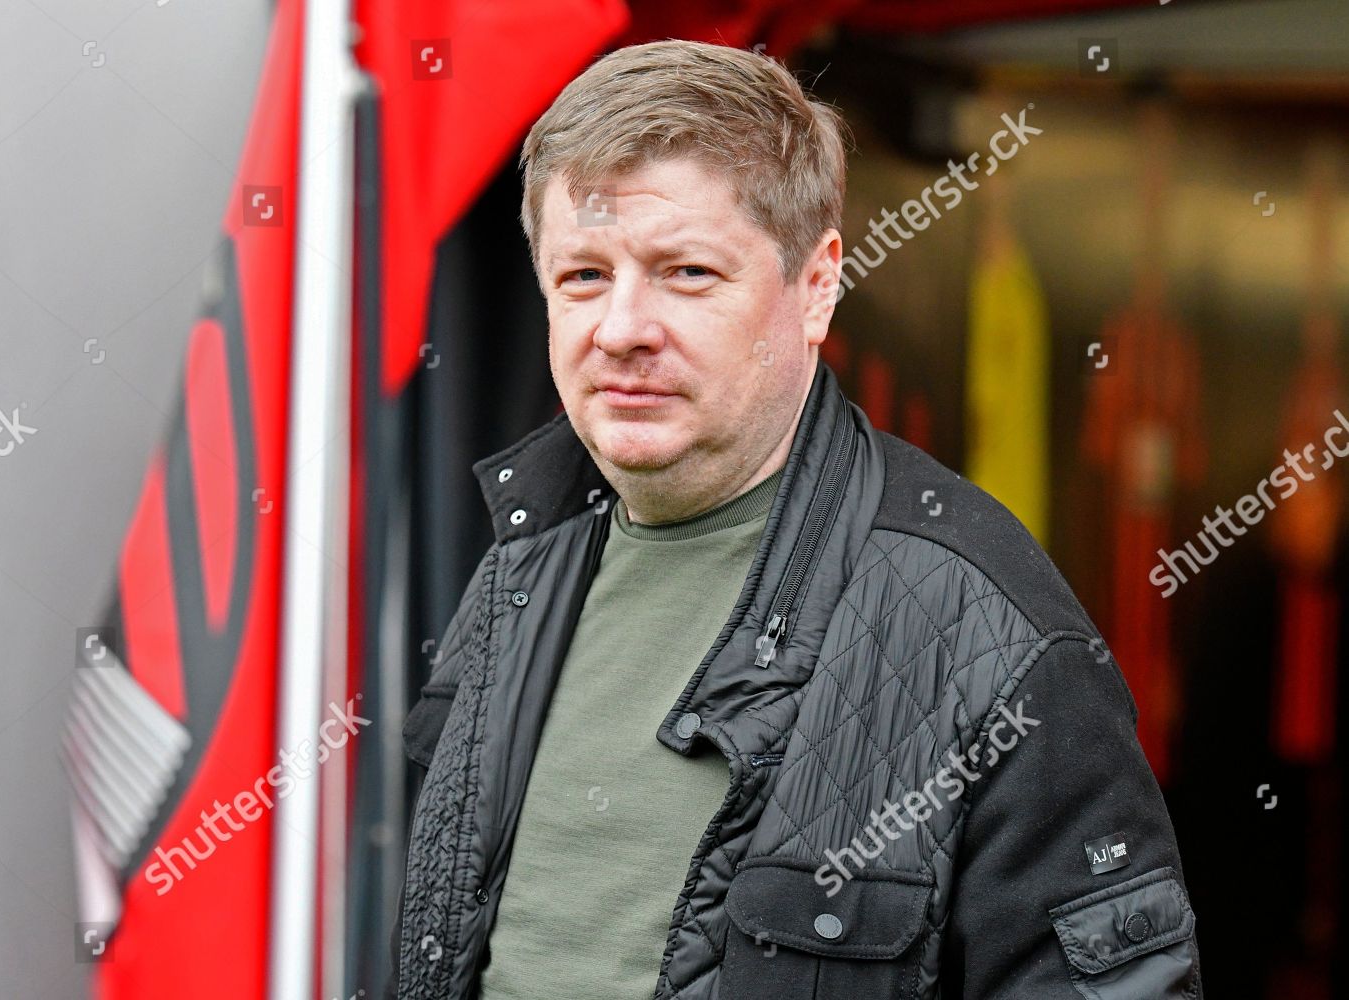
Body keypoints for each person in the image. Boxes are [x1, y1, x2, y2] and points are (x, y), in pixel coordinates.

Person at [390, 39, 1202, 1000]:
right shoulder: (515, 568)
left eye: (687, 272)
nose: (622, 328)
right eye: (584, 277)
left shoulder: (990, 630)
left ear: (816, 287)